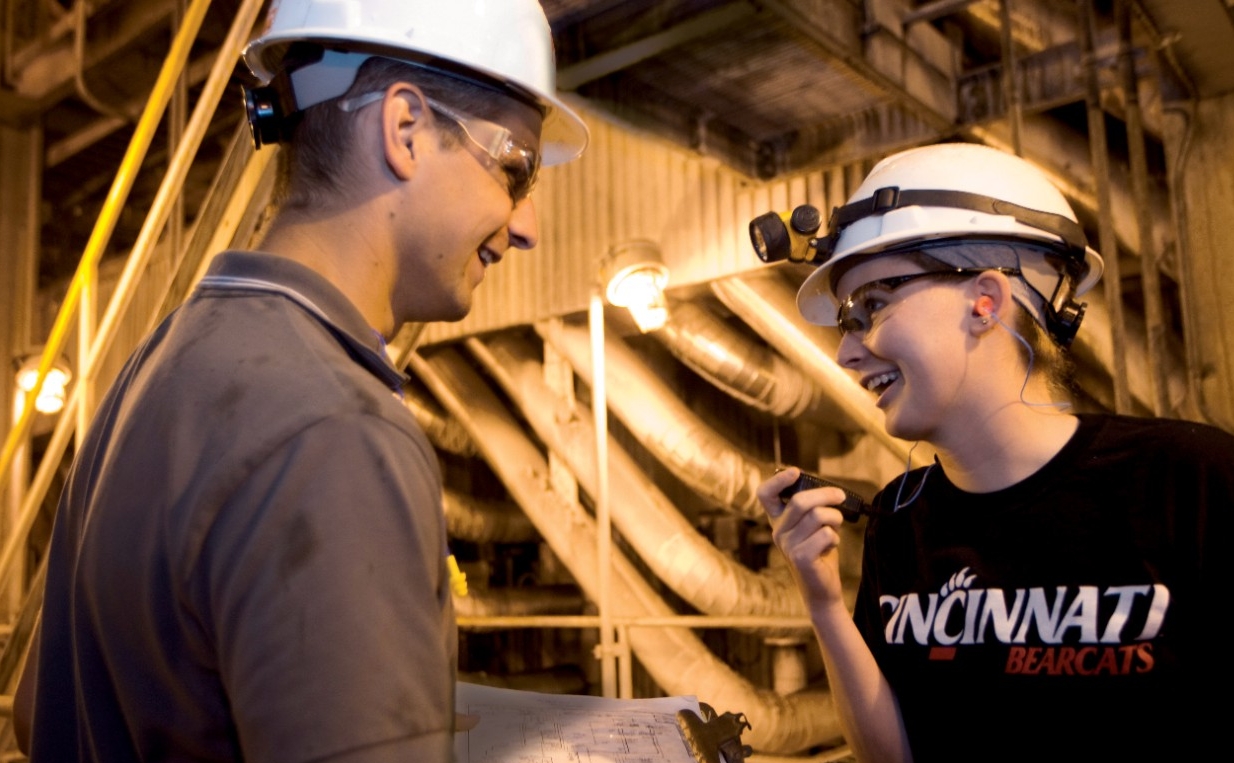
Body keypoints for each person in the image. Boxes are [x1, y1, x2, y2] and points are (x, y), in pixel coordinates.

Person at [15, 1, 587, 760]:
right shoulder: (335, 430)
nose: (527, 225)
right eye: (514, 169)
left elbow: (38, 710)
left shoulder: (156, 371)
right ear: (406, 130)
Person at [757, 143, 1230, 762]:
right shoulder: (900, 519)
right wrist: (822, 603)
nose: (846, 354)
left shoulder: (1189, 480)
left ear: (986, 301)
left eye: (871, 306)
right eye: (847, 323)